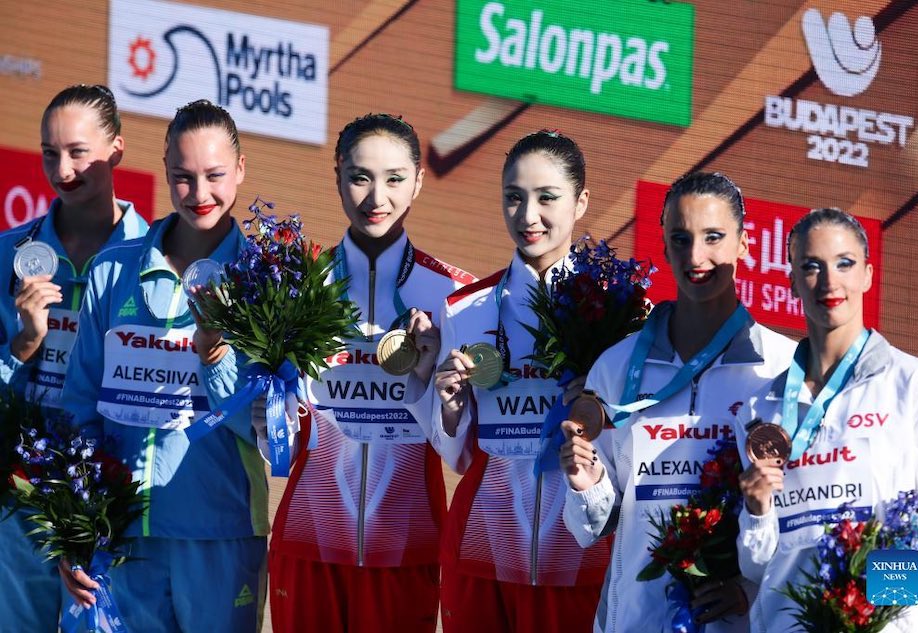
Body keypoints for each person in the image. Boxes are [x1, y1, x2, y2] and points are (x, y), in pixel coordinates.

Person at [58, 100, 267, 633]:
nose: (200, 195)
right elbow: (80, 407)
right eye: (183, 177)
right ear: (166, 171)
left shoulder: (266, 283)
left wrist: (217, 355)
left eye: (215, 176)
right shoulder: (113, 270)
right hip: (120, 535)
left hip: (218, 532)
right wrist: (75, 522)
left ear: (241, 169)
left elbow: (268, 427)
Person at [559, 171, 796, 632]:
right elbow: (591, 527)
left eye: (713, 237)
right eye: (681, 238)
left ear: (744, 245)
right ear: (664, 246)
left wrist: (748, 591)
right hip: (634, 620)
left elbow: (801, 519)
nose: (696, 255)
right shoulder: (616, 366)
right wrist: (585, 484)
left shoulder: (780, 371)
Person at [266, 113, 475, 633]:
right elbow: (274, 436)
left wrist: (427, 384)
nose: (375, 197)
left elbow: (460, 450)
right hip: (309, 542)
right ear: (337, 176)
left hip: (408, 549)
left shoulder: (456, 297)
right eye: (360, 176)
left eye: (395, 179)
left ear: (419, 183)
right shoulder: (295, 286)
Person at [421, 130, 611, 632]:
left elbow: (629, 452)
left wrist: (600, 409)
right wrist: (450, 411)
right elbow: (457, 455)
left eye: (547, 198)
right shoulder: (465, 310)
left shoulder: (622, 315)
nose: (528, 216)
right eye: (514, 197)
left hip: (578, 560)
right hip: (480, 554)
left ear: (581, 201)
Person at [735, 207, 918, 631]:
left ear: (868, 275)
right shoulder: (762, 409)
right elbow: (759, 568)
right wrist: (757, 511)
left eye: (844, 264)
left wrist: (870, 618)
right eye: (812, 267)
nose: (830, 282)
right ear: (792, 281)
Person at [0, 84, 148, 632]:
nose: (62, 169)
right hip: (19, 493)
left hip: (110, 494)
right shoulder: (7, 255)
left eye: (79, 151)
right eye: (49, 152)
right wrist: (22, 345)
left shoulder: (154, 258)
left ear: (116, 150)